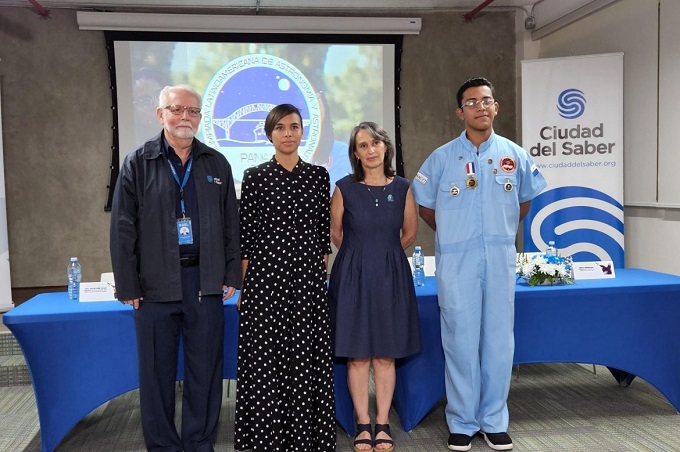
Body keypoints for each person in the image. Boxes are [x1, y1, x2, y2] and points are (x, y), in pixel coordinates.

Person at [411, 77, 547, 452]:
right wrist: (456, 233)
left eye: (486, 100)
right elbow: (425, 207)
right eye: (472, 102)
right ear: (461, 112)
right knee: (459, 341)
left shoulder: (515, 155)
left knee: (499, 342)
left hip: (500, 259)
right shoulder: (441, 158)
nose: (480, 107)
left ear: (495, 107)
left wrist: (496, 232)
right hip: (457, 261)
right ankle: (462, 421)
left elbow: (523, 203)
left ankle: (494, 420)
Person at [110, 84, 241, 452]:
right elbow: (122, 228)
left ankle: (199, 443)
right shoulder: (137, 163)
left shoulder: (216, 163)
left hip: (206, 283)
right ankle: (164, 446)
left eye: (193, 111)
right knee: (156, 374)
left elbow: (231, 225)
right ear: (160, 114)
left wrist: (231, 273)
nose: (186, 117)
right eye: (177, 109)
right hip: (154, 285)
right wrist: (128, 284)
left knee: (206, 372)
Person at [234, 103, 336, 451]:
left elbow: (322, 237)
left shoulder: (318, 176)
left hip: (308, 281)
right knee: (268, 360)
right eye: (280, 127)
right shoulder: (255, 177)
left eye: (294, 126)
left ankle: (306, 438)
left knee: (305, 358)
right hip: (265, 282)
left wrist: (320, 281)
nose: (288, 133)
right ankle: (268, 438)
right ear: (269, 134)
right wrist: (246, 290)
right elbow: (247, 239)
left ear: (303, 132)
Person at [329, 122, 421, 452]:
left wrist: (383, 254)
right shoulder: (343, 187)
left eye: (376, 143)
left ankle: (382, 423)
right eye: (363, 145)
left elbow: (409, 234)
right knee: (357, 356)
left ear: (386, 147)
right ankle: (362, 423)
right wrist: (360, 255)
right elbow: (335, 233)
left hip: (391, 276)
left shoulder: (404, 187)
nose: (370, 150)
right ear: (355, 153)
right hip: (352, 277)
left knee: (385, 355)